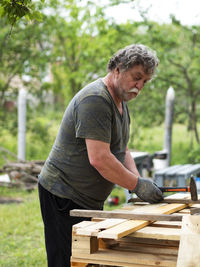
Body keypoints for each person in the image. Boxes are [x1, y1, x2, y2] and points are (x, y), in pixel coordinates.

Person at [38, 43, 164, 267]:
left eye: (145, 81)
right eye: (137, 77)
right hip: (63, 193)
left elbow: (121, 149)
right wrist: (137, 185)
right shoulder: (96, 100)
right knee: (67, 259)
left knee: (88, 259)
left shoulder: (121, 103)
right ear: (117, 69)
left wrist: (138, 184)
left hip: (87, 198)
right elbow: (100, 159)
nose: (139, 86)